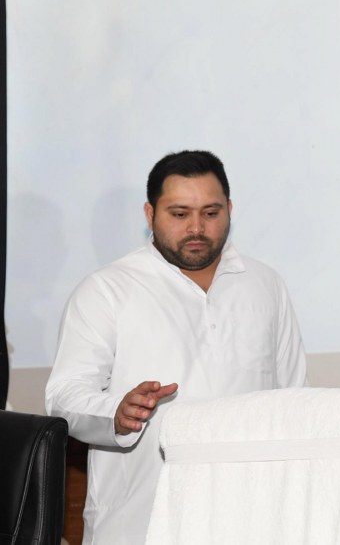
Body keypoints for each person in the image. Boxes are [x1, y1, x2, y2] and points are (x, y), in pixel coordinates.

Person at [46, 150, 308, 545]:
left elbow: (294, 399)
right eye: (180, 214)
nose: (197, 228)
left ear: (230, 210)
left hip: (251, 519)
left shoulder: (266, 285)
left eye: (211, 213)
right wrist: (116, 412)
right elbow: (63, 397)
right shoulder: (107, 290)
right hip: (140, 524)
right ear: (150, 214)